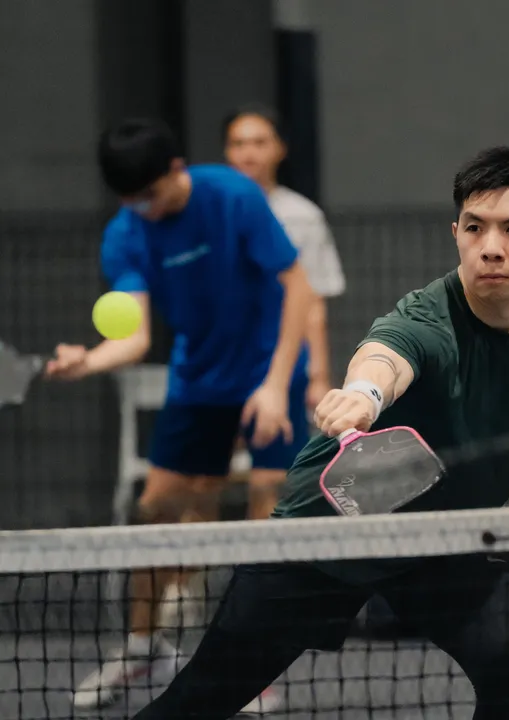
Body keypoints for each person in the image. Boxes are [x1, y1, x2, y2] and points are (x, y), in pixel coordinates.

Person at [131, 146, 509, 720]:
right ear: (456, 234)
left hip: (435, 542)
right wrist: (364, 395)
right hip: (325, 535)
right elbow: (385, 358)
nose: (490, 246)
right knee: (199, 701)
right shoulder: (425, 319)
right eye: (475, 227)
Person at [44, 118, 314, 712]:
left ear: (175, 169)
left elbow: (298, 287)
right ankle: (144, 646)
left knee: (267, 517)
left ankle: (254, 667)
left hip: (271, 373)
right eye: (130, 200)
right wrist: (87, 362)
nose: (143, 207)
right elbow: (135, 337)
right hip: (199, 382)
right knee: (156, 512)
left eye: (149, 194)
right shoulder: (126, 233)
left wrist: (274, 386)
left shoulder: (233, 196)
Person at [223, 105, 347, 519]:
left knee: (272, 480)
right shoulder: (208, 212)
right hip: (220, 364)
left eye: (260, 142)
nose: (249, 152)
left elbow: (312, 301)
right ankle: (187, 567)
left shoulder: (303, 217)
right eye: (239, 143)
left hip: (281, 366)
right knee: (196, 482)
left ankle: (261, 560)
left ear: (280, 149)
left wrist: (318, 375)